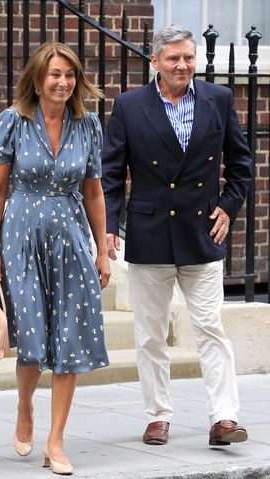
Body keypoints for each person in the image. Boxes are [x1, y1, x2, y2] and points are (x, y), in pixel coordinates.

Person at [102, 25, 252, 447]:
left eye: (188, 57)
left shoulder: (218, 99)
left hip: (202, 230)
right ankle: (157, 416)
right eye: (173, 58)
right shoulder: (129, 105)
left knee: (210, 327)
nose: (183, 65)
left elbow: (241, 164)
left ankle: (224, 418)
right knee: (150, 333)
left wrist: (229, 204)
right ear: (155, 61)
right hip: (150, 233)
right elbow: (112, 173)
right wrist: (109, 227)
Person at [0, 42, 110, 475]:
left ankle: (55, 442)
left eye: (70, 75)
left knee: (70, 338)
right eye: (55, 74)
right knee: (33, 342)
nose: (63, 82)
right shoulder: (13, 122)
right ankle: (25, 408)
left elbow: (94, 191)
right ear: (37, 80)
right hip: (21, 238)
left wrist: (102, 251)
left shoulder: (88, 125)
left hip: (70, 238)